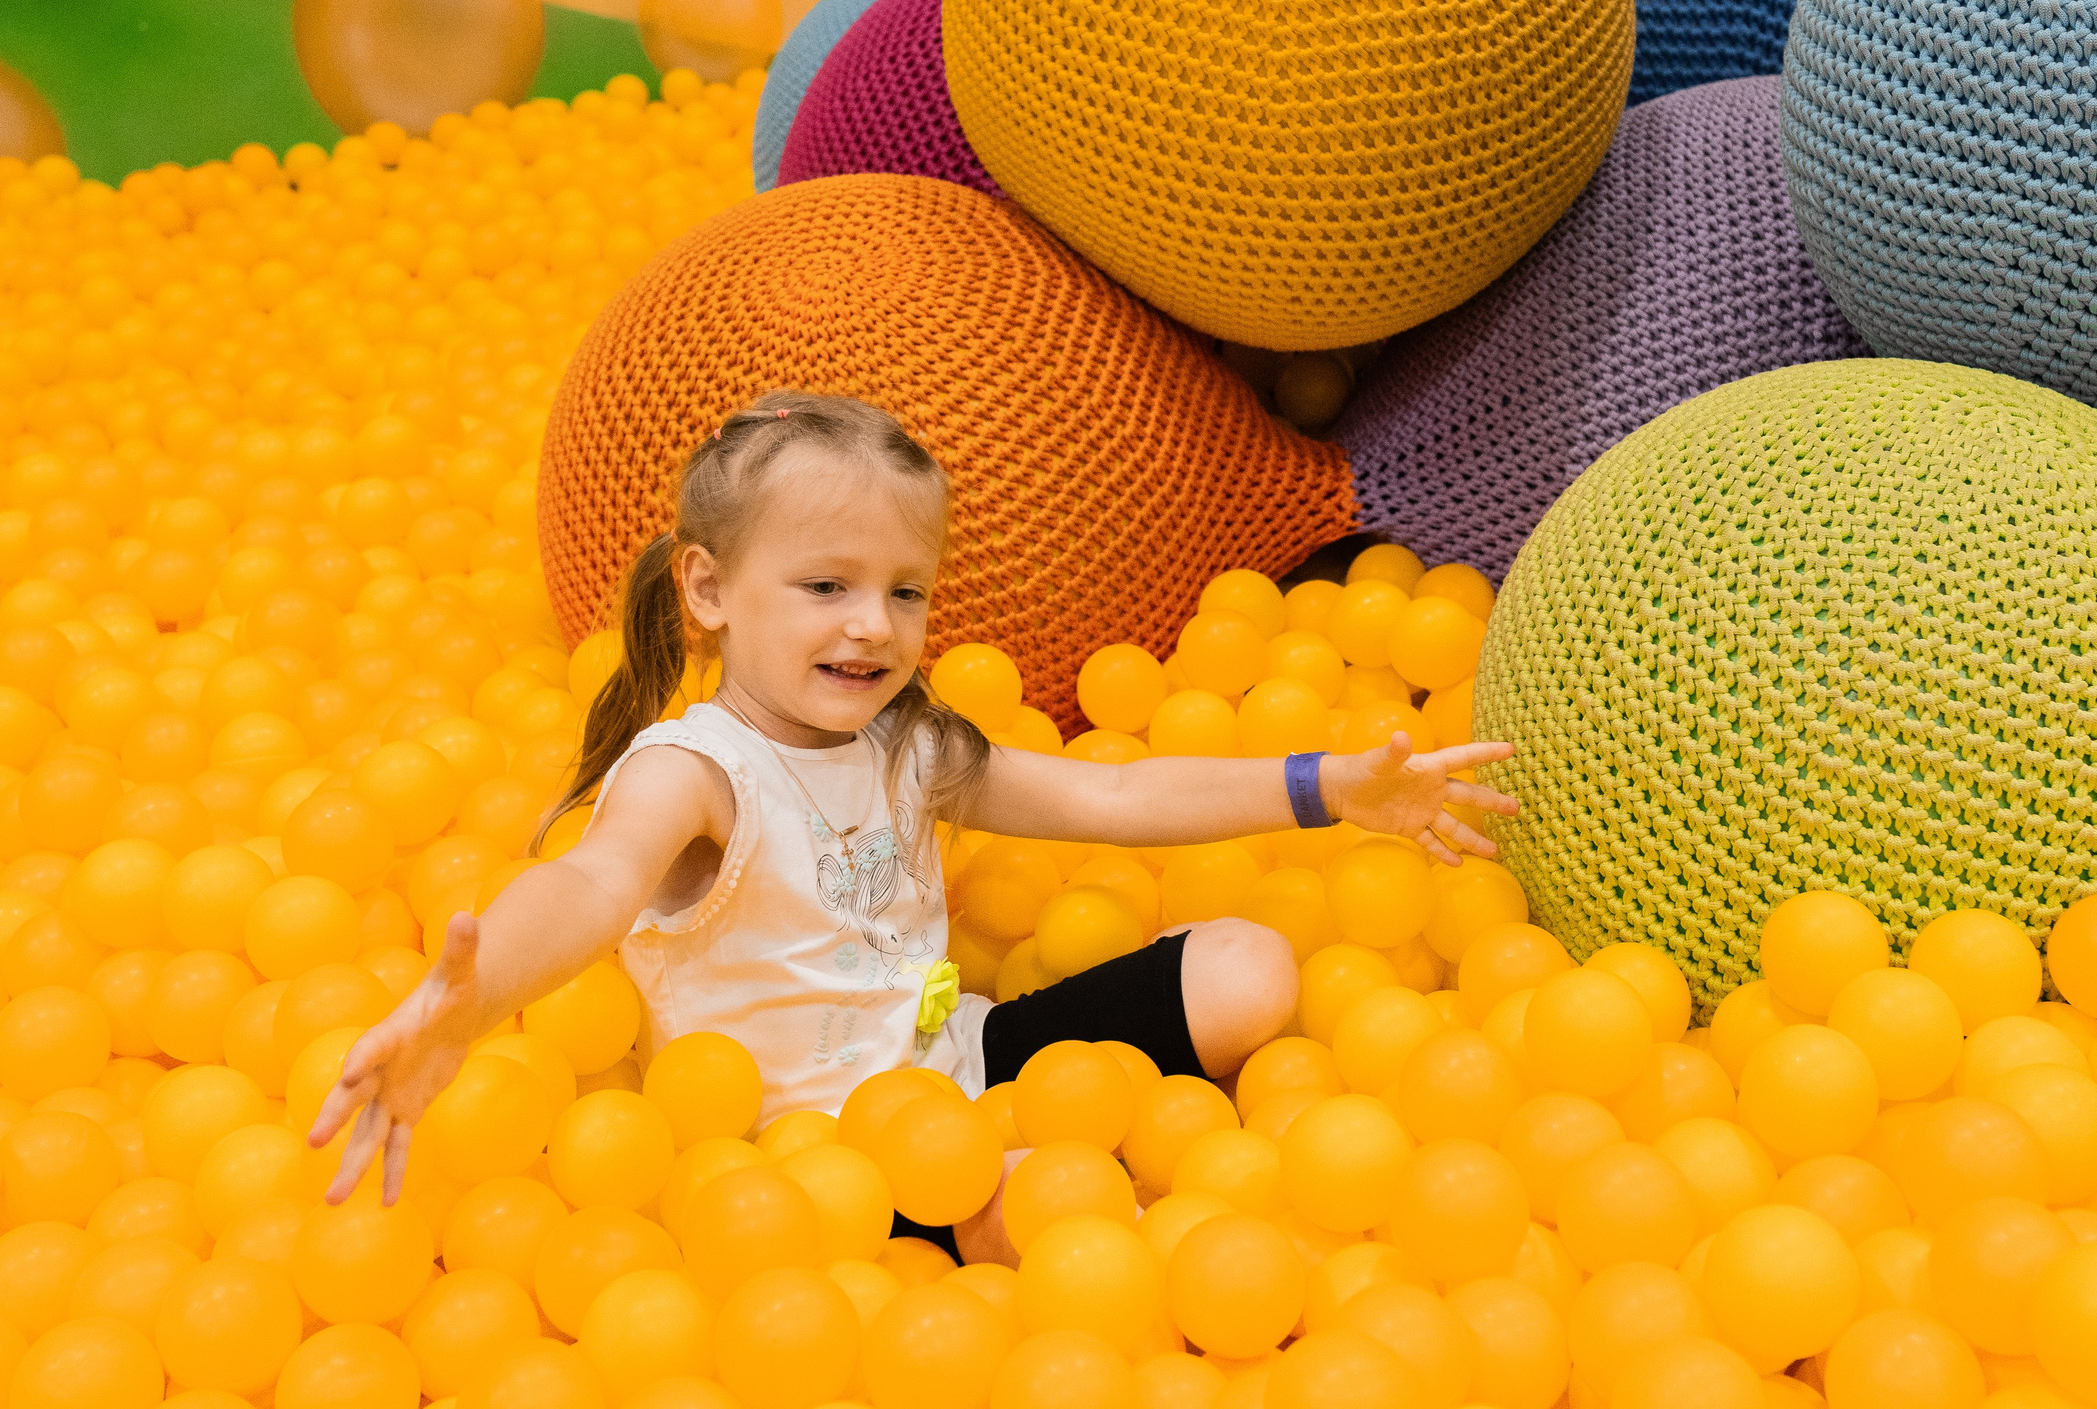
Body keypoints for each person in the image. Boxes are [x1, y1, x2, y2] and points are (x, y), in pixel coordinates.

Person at [309, 389, 1514, 1259]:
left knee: (1249, 967)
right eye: (825, 586)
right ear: (710, 591)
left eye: (903, 591)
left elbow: (1111, 797)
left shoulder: (911, 747)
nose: (873, 626)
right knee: (1060, 1209)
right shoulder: (695, 774)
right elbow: (586, 886)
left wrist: (1328, 788)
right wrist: (467, 999)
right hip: (818, 1159)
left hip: (958, 1062)